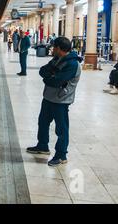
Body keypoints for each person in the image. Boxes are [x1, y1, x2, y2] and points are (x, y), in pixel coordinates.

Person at [27, 37, 82, 167]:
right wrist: (51, 76)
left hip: (61, 101)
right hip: (49, 97)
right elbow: (43, 71)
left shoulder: (73, 64)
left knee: (61, 129)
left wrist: (50, 77)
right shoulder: (57, 59)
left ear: (59, 48)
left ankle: (61, 155)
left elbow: (56, 81)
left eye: (54, 47)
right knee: (43, 122)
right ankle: (42, 146)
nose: (52, 49)